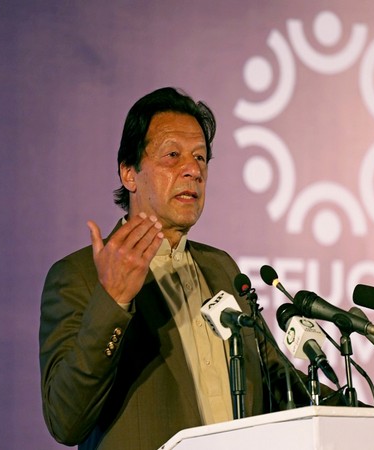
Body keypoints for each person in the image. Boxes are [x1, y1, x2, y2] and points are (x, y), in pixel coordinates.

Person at [39, 87, 310, 450]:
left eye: (200, 158)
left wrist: (364, 417)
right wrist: (112, 301)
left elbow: (281, 383)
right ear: (129, 173)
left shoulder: (220, 267)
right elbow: (65, 420)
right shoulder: (79, 276)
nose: (193, 170)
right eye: (172, 155)